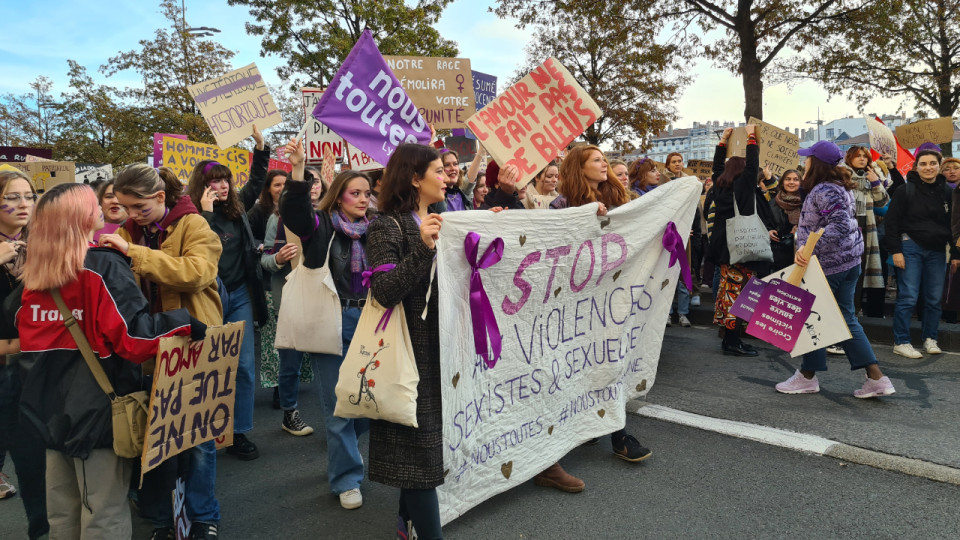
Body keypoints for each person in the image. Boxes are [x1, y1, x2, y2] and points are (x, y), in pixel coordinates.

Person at [13, 183, 202, 539]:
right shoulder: (101, 267)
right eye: (94, 202)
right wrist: (184, 322)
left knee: (62, 512)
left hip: (44, 409)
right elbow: (134, 339)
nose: (107, 204)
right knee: (105, 512)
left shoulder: (32, 274)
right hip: (98, 409)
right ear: (81, 217)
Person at [104, 164, 223, 540]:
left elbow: (198, 273)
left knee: (200, 438)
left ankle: (203, 516)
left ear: (159, 197)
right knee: (157, 437)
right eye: (124, 207)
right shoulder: (129, 231)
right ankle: (165, 519)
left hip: (192, 342)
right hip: (149, 345)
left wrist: (134, 253)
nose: (130, 215)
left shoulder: (194, 224)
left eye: (138, 207)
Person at [540, 144, 650, 489]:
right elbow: (555, 245)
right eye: (597, 160)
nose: (605, 164)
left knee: (610, 362)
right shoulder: (562, 205)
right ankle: (585, 426)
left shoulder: (620, 199)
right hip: (577, 304)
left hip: (611, 299)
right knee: (578, 365)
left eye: (605, 159)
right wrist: (586, 217)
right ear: (580, 168)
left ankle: (619, 435)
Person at [278, 138, 371, 509]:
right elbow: (294, 212)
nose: (363, 199)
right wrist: (298, 171)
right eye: (354, 193)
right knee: (338, 407)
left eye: (366, 192)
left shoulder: (377, 228)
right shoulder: (320, 228)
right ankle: (347, 478)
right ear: (338, 195)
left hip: (370, 321)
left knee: (367, 403)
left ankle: (345, 452)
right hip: (331, 321)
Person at [362, 142, 446, 539]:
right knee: (421, 454)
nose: (446, 176)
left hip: (439, 347)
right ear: (415, 178)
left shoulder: (443, 218)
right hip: (408, 351)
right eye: (439, 171)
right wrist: (424, 249)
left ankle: (405, 522)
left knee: (420, 448)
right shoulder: (386, 225)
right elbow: (384, 290)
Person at [775, 141, 896, 398]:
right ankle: (876, 378)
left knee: (812, 317)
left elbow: (839, 225)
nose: (804, 162)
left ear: (816, 163)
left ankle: (808, 377)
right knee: (845, 318)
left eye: (808, 159)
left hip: (829, 264)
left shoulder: (825, 190)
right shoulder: (839, 186)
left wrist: (807, 248)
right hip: (848, 261)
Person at [186, 126, 270, 460]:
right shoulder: (192, 216)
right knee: (210, 367)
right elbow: (195, 249)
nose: (220, 187)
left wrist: (260, 146)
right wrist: (204, 215)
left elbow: (257, 180)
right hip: (208, 300)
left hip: (240, 297)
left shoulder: (238, 209)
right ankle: (203, 432)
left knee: (245, 368)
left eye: (224, 181)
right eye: (212, 182)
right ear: (201, 187)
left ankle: (238, 433)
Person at [0, 169, 47, 539]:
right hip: (5, 370)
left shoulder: (41, 244)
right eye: (12, 197)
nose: (22, 204)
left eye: (28, 196)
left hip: (35, 370)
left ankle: (41, 530)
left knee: (35, 464)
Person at [247, 168, 313, 409]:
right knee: (280, 345)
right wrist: (277, 258)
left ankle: (291, 387)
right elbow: (263, 256)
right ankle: (284, 398)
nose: (283, 189)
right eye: (278, 185)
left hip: (310, 294)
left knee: (301, 346)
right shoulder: (270, 217)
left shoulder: (320, 217)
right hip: (277, 290)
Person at [707, 125, 774, 357]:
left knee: (728, 293)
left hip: (725, 249)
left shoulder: (719, 183)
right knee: (739, 296)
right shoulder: (745, 185)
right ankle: (733, 341)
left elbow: (716, 166)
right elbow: (754, 164)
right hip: (742, 248)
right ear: (743, 171)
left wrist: (723, 141)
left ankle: (730, 339)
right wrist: (752, 137)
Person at [885, 146, 954, 358]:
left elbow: (953, 224)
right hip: (910, 247)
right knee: (908, 296)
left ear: (939, 166)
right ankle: (902, 341)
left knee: (934, 298)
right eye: (923, 164)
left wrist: (956, 253)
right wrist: (896, 251)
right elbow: (892, 223)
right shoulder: (904, 191)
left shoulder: (948, 192)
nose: (928, 168)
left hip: (937, 251)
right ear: (916, 167)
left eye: (933, 163)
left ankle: (930, 339)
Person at [844, 146, 889, 319]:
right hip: (847, 232)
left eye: (865, 156)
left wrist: (876, 182)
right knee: (848, 273)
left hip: (866, 231)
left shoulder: (871, 177)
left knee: (861, 272)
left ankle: (854, 312)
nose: (862, 159)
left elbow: (882, 202)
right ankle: (848, 312)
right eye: (858, 156)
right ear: (849, 158)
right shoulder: (842, 176)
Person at [768, 169, 801, 272]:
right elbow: (765, 221)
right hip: (776, 254)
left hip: (798, 253)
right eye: (788, 179)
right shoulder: (773, 201)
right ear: (782, 182)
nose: (791, 182)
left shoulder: (808, 201)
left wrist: (800, 231)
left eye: (795, 179)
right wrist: (768, 231)